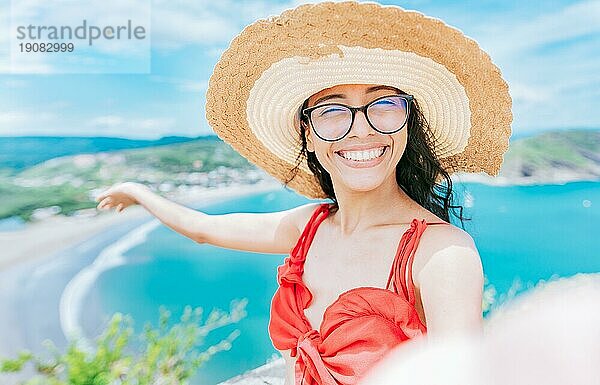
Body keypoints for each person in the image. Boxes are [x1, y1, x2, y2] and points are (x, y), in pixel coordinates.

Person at [95, 1, 512, 384]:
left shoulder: (441, 253)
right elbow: (203, 228)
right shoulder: (307, 227)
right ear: (308, 135)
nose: (362, 128)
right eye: (332, 111)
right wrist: (138, 192)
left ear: (407, 124)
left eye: (384, 104)